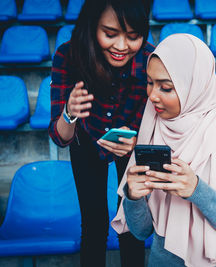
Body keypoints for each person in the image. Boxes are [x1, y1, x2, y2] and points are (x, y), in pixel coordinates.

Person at [111, 34, 216, 267]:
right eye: (150, 83)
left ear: (194, 87)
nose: (152, 95)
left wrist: (196, 189)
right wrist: (133, 197)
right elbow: (142, 232)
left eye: (166, 87)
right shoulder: (149, 130)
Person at [48, 0, 153, 266]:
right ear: (92, 27)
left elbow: (161, 121)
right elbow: (60, 137)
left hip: (132, 146)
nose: (121, 46)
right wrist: (69, 112)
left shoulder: (151, 59)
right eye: (110, 34)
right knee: (93, 223)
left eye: (133, 37)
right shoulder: (69, 56)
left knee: (131, 223)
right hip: (85, 140)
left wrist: (137, 140)